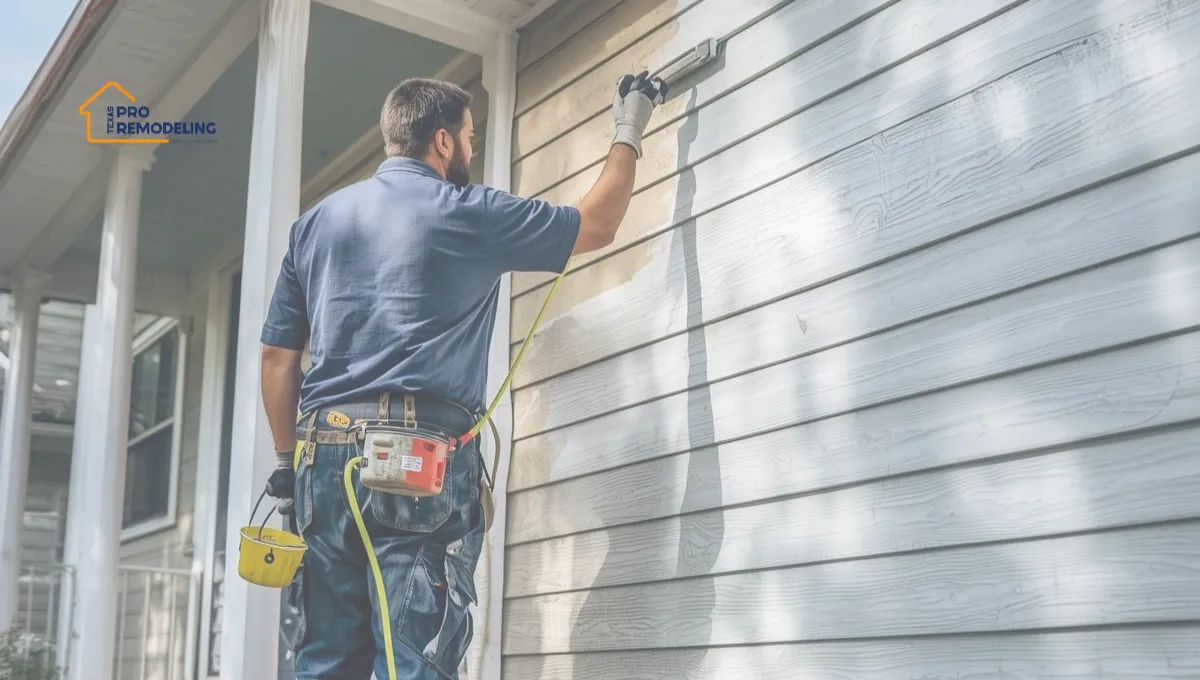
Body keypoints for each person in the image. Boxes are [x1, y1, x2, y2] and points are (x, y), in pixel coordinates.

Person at [255, 70, 667, 679]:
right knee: (415, 660)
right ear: (442, 142)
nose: (471, 150)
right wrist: (629, 127)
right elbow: (598, 223)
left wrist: (288, 465)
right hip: (411, 461)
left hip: (321, 460)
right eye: (470, 138)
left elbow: (277, 359)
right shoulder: (466, 211)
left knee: (327, 663)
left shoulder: (315, 224)